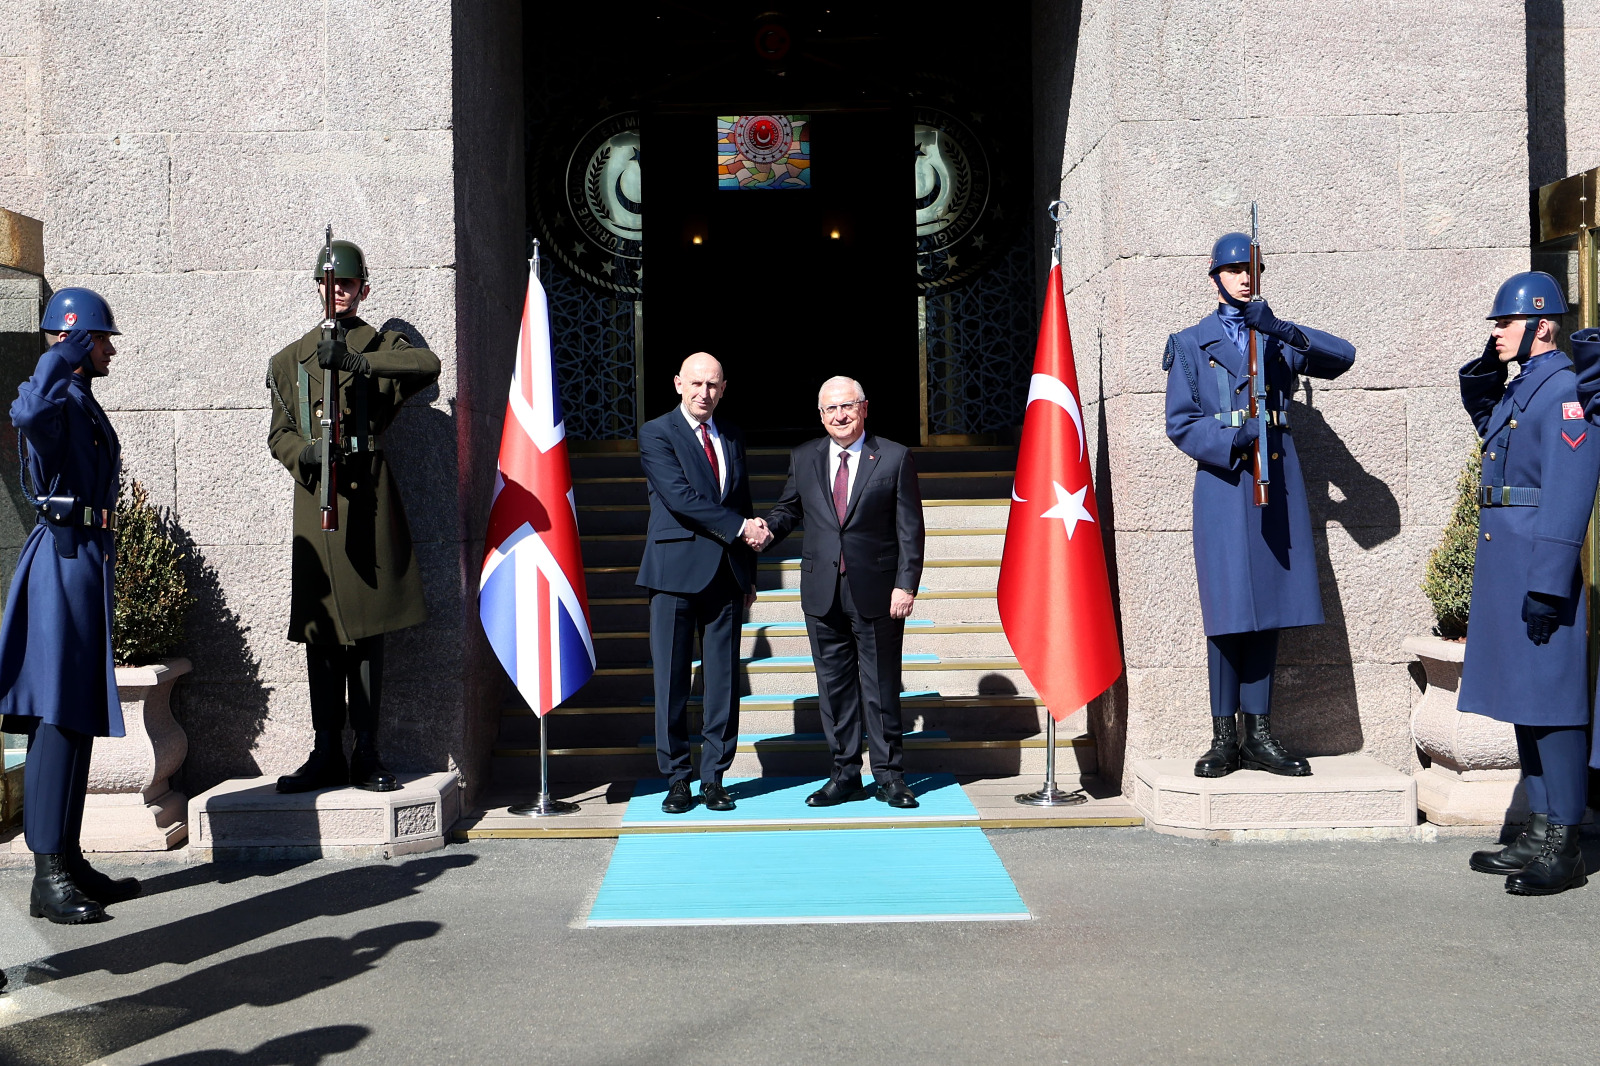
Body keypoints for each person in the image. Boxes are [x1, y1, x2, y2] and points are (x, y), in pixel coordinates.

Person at [1163, 232, 1355, 779]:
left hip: (1276, 480)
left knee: (1267, 609)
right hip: (1226, 484)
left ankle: (1261, 734)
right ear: (1214, 275)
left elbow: (1342, 357)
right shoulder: (1189, 342)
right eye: (1233, 270)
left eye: (1253, 269)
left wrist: (1278, 328)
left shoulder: (1273, 335)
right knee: (1227, 614)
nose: (1245, 278)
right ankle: (1225, 736)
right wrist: (1234, 438)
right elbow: (1180, 422)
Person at [266, 238, 441, 793]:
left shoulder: (380, 343)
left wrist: (358, 362)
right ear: (317, 287)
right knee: (322, 636)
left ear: (363, 289)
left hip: (366, 497)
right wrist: (306, 454)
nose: (336, 293)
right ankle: (325, 751)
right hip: (317, 502)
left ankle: (366, 751)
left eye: (346, 285)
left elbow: (426, 364)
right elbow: (279, 434)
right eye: (328, 283)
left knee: (367, 635)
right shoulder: (288, 358)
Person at [0, 287, 141, 923]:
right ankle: (45, 873)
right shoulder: (53, 398)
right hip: (57, 560)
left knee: (77, 713)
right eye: (100, 338)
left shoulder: (82, 403)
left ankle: (70, 858)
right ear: (80, 341)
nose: (110, 347)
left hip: (85, 558)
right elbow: (24, 416)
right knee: (55, 716)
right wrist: (58, 355)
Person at [1461, 272, 1596, 896]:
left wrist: (1548, 583)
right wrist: (1483, 381)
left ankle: (1565, 839)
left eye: (1504, 322)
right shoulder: (1524, 391)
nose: (1495, 332)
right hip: (1507, 564)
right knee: (1526, 702)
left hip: (1539, 565)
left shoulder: (1565, 391)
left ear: (1541, 324)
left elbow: (1568, 493)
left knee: (1554, 706)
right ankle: (1539, 829)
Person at [762, 376, 925, 809]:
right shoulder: (804, 457)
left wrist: (905, 584)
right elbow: (788, 510)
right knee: (834, 690)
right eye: (831, 409)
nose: (840, 415)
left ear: (865, 408)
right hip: (822, 592)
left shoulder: (893, 457)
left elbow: (910, 530)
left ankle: (891, 777)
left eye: (848, 406)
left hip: (877, 591)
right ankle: (845, 774)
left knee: (881, 687)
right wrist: (766, 531)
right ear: (820, 415)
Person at [637, 352, 761, 814]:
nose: (703, 392)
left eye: (712, 385)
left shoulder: (731, 435)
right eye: (695, 383)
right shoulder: (656, 433)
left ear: (723, 388)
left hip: (727, 574)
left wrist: (749, 572)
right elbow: (680, 498)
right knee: (671, 681)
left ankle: (714, 777)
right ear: (677, 384)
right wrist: (741, 528)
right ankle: (677, 778)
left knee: (723, 682)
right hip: (672, 573)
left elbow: (743, 499)